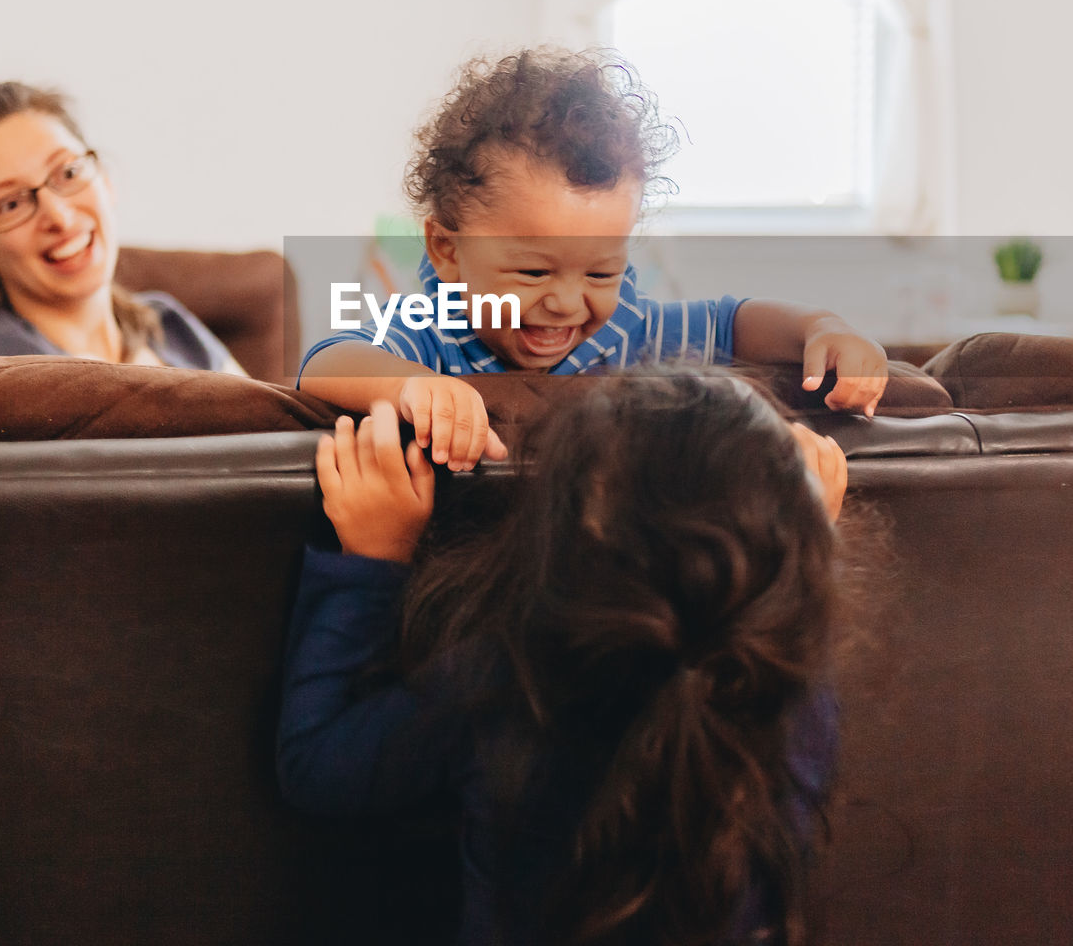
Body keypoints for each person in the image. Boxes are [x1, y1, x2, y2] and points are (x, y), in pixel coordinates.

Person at [278, 365, 852, 946]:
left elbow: (320, 766)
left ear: (566, 528)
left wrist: (375, 558)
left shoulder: (509, 677)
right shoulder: (794, 694)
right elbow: (768, 614)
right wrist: (804, 538)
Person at [298, 48, 888, 470]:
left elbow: (732, 321)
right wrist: (414, 388)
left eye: (601, 273)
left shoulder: (630, 327)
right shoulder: (433, 324)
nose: (566, 302)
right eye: (533, 272)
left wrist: (822, 328)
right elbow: (325, 363)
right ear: (448, 251)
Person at [0, 81, 242, 371]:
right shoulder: (1, 372)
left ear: (104, 176)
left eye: (68, 173)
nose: (60, 217)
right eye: (10, 204)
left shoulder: (166, 322)